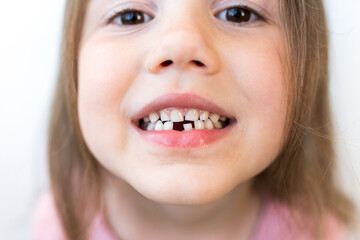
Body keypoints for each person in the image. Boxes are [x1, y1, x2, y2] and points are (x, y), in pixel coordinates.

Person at [32, 0, 356, 239]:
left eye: (238, 14)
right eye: (130, 16)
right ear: (74, 66)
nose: (181, 44)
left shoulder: (320, 233)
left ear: (307, 66)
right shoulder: (54, 226)